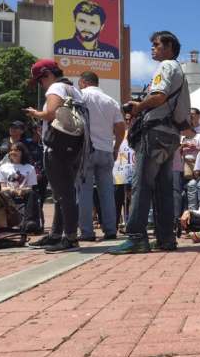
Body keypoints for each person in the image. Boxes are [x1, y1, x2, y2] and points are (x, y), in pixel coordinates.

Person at [109, 31, 190, 254]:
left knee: (141, 185)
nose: (152, 48)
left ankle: (136, 237)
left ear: (169, 46)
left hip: (155, 133)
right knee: (163, 189)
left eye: (156, 44)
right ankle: (165, 238)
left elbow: (159, 96)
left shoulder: (165, 66)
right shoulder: (179, 70)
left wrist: (137, 107)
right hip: (171, 134)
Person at [24, 59, 84, 253]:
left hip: (57, 146)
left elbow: (50, 113)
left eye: (40, 80)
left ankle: (70, 238)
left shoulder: (56, 87)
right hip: (74, 146)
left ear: (48, 74)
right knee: (62, 193)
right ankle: (57, 235)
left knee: (64, 194)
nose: (41, 85)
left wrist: (36, 113)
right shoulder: (73, 89)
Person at [76, 71, 125, 241]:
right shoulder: (111, 101)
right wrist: (116, 147)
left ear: (83, 82)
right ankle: (111, 230)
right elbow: (120, 127)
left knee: (85, 192)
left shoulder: (80, 97)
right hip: (106, 149)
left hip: (85, 150)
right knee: (107, 192)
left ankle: (87, 232)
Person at [0, 142, 40, 232]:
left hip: (24, 192)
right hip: (8, 192)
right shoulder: (3, 167)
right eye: (11, 150)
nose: (13, 152)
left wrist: (21, 190)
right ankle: (13, 221)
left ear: (22, 152)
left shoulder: (30, 168)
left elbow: (30, 187)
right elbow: (2, 187)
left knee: (32, 194)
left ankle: (29, 222)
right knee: (3, 194)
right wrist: (13, 190)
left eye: (16, 150)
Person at [54, 0, 119, 58]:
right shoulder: (60, 47)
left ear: (101, 27)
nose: (87, 28)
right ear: (74, 20)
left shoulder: (113, 53)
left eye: (93, 23)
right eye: (82, 21)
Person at [112, 114, 134, 231]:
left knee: (131, 199)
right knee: (117, 198)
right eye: (126, 119)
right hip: (120, 171)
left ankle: (130, 224)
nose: (128, 121)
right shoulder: (121, 133)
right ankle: (114, 224)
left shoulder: (138, 132)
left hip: (133, 171)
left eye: (131, 118)